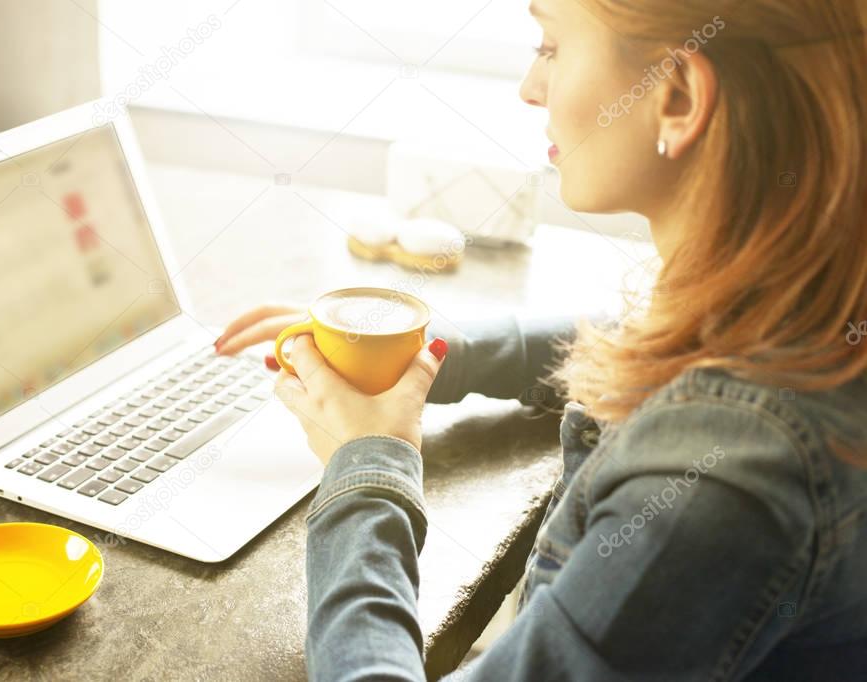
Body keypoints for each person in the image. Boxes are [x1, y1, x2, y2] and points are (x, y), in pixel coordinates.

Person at [213, 0, 867, 678]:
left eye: (550, 47)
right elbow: (638, 334)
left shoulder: (721, 483)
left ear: (675, 96)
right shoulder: (806, 302)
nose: (529, 88)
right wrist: (434, 352)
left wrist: (366, 466)